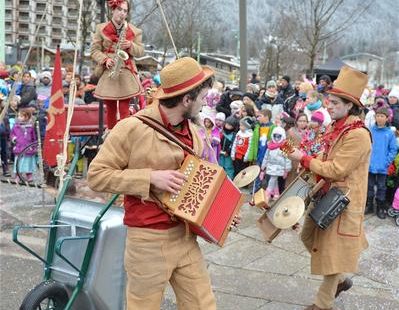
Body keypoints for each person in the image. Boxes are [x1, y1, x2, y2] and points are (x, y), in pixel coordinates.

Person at [87, 57, 216, 309]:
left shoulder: (194, 132)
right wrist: (149, 178)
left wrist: (219, 211)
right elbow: (96, 175)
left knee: (203, 305)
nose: (204, 104)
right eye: (201, 98)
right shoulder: (131, 129)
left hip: (185, 237)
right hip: (147, 240)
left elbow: (196, 183)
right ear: (186, 99)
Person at [287, 66, 372, 310]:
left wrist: (303, 158)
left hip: (342, 203)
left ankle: (322, 304)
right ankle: (341, 280)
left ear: (350, 106)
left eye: (335, 102)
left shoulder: (358, 135)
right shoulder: (336, 127)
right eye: (329, 101)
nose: (329, 106)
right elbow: (324, 162)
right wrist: (307, 165)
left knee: (333, 255)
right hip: (326, 197)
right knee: (308, 237)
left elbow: (337, 170)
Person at [91, 0, 144, 129]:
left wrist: (131, 45)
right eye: (120, 9)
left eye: (125, 11)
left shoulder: (135, 31)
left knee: (124, 107)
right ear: (113, 10)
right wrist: (105, 60)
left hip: (126, 70)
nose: (122, 13)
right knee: (110, 107)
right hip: (109, 69)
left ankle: (123, 135)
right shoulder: (101, 28)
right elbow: (94, 50)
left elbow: (140, 52)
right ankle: (110, 134)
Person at [365, 107, 398, 218]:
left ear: (387, 118)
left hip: (382, 167)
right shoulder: (370, 131)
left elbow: (393, 149)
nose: (379, 118)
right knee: (369, 186)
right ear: (375, 117)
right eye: (378, 116)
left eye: (382, 116)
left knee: (381, 187)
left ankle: (380, 207)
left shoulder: (389, 133)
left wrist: (387, 161)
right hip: (370, 165)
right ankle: (369, 205)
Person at [10, 109, 37, 182]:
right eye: (18, 116)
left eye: (21, 116)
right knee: (18, 162)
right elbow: (12, 134)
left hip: (28, 148)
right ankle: (18, 175)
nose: (19, 117)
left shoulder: (30, 127)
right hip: (19, 147)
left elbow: (33, 137)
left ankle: (29, 175)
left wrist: (34, 145)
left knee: (28, 162)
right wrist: (14, 139)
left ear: (27, 117)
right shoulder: (16, 126)